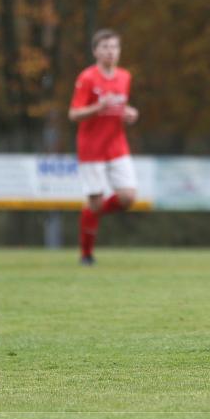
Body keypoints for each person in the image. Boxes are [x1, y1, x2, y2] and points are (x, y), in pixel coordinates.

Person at [68, 29, 139, 266]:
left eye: (114, 47)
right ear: (95, 51)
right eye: (105, 47)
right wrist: (98, 107)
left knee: (128, 198)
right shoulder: (87, 78)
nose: (111, 52)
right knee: (96, 204)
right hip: (91, 148)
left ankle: (90, 212)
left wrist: (127, 113)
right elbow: (74, 114)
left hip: (117, 145)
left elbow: (118, 108)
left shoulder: (124, 77)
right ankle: (86, 255)